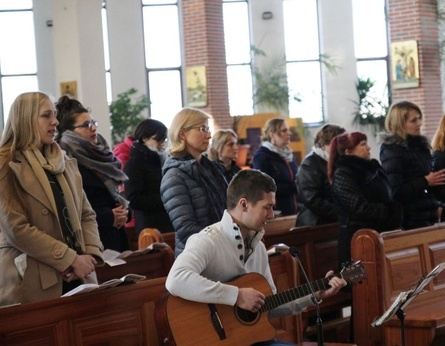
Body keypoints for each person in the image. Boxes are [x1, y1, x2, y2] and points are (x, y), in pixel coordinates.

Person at [166, 169, 346, 346]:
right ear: (243, 205)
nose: (271, 215)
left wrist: (317, 294)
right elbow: (175, 279)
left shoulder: (258, 247)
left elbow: (271, 305)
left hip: (251, 340)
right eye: (266, 208)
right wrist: (236, 296)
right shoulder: (208, 240)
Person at [0, 92, 103, 306]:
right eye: (46, 115)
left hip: (79, 274)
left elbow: (86, 214)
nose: (55, 121)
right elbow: (16, 229)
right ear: (25, 119)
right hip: (33, 278)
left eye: (54, 115)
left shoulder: (63, 160)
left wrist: (89, 254)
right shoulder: (6, 164)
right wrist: (70, 259)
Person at [56, 96, 129, 252]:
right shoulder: (65, 162)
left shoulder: (103, 156)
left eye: (93, 123)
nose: (94, 128)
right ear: (70, 133)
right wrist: (109, 217)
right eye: (86, 125)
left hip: (116, 238)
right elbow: (68, 209)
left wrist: (124, 213)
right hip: (91, 243)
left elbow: (115, 198)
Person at [160, 107, 228, 256]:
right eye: (203, 129)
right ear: (183, 133)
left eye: (208, 129)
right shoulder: (174, 176)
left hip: (223, 250)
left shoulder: (212, 169)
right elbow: (186, 229)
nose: (209, 136)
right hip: (198, 256)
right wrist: (227, 238)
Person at [329, 131, 402, 267]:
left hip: (380, 232)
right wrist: (391, 211)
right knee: (365, 284)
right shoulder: (343, 174)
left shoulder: (373, 168)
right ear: (348, 152)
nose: (368, 148)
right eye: (363, 144)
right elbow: (359, 207)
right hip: (359, 238)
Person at [379, 101, 445, 230]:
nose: (419, 123)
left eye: (419, 119)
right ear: (400, 124)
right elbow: (396, 191)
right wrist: (425, 181)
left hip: (427, 214)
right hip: (409, 219)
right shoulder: (392, 150)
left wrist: (437, 203)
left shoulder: (420, 146)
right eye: (413, 120)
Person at [123, 118, 174, 236]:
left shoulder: (162, 160)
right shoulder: (135, 163)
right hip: (149, 227)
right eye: (158, 139)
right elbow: (133, 199)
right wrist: (165, 199)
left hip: (167, 222)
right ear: (144, 138)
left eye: (164, 139)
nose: (162, 143)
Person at [295, 124, 345, 227]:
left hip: (335, 220)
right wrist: (342, 212)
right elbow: (312, 199)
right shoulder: (309, 164)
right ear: (323, 146)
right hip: (315, 223)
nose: (340, 149)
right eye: (335, 145)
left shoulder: (338, 161)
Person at [253, 118, 298, 216]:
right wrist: (294, 187)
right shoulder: (262, 156)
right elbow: (263, 188)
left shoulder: (288, 155)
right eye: (284, 130)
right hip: (276, 212)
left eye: (288, 130)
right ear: (272, 134)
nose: (289, 133)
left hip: (294, 209)